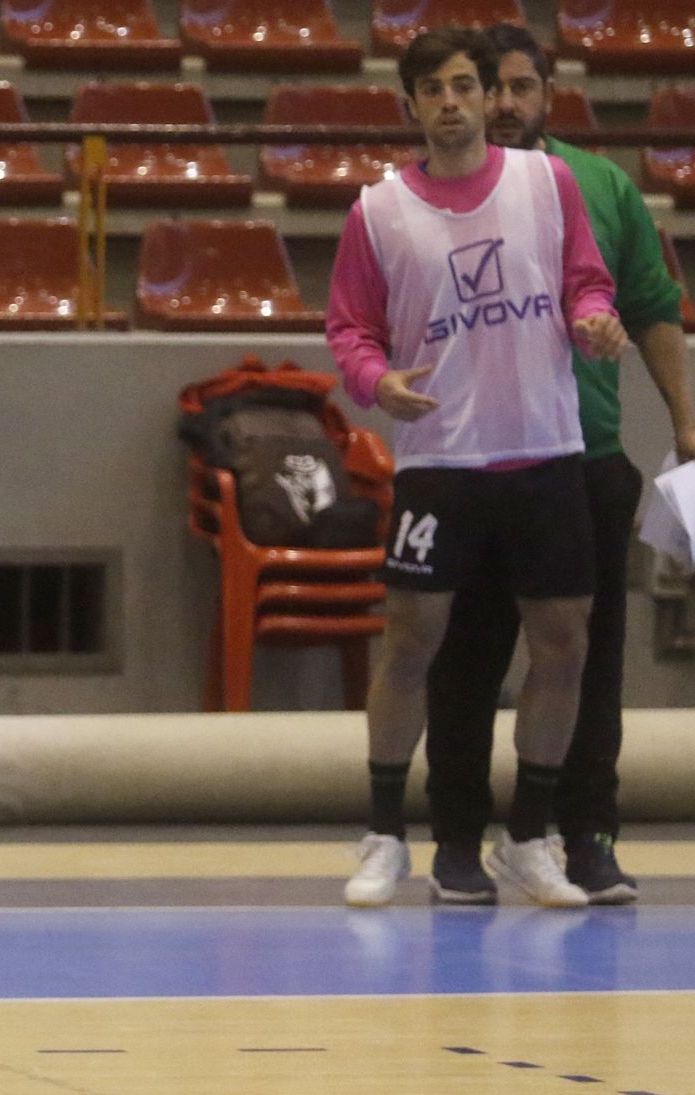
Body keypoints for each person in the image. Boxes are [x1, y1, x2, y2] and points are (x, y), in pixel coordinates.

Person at [325, 26, 628, 908]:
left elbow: (586, 281)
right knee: (412, 637)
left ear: (486, 94)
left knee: (564, 640)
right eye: (436, 89)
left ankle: (529, 838)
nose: (453, 101)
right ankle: (385, 833)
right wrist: (378, 381)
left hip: (545, 450)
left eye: (466, 84)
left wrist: (595, 318)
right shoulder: (377, 211)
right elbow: (349, 329)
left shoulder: (547, 182)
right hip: (441, 459)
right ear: (411, 105)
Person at [422, 23, 695, 906]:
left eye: (518, 86)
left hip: (584, 460)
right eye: (486, 85)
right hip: (472, 460)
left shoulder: (602, 186)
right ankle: (459, 840)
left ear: (549, 92)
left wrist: (689, 424)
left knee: (588, 660)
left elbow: (653, 306)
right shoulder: (428, 196)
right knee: (466, 658)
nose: (502, 102)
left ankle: (587, 837)